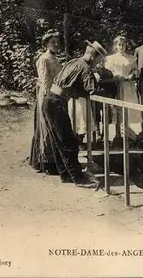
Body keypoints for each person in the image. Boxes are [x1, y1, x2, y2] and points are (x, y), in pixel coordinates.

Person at [42, 40, 108, 188]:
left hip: (49, 100)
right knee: (69, 142)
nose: (98, 63)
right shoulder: (86, 68)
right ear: (93, 56)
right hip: (56, 102)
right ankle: (79, 178)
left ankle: (66, 175)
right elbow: (92, 90)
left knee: (59, 141)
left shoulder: (74, 61)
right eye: (99, 59)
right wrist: (109, 93)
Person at [29, 29, 62, 174]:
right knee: (47, 128)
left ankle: (55, 161)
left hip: (56, 95)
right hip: (47, 96)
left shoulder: (56, 58)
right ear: (46, 44)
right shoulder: (44, 59)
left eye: (57, 42)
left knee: (55, 127)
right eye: (52, 42)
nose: (55, 45)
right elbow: (44, 81)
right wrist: (49, 97)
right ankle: (46, 162)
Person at [105, 35, 141, 143]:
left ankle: (125, 133)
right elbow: (107, 71)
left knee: (127, 109)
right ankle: (117, 135)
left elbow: (136, 70)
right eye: (119, 45)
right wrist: (115, 75)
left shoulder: (131, 58)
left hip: (127, 86)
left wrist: (132, 75)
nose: (121, 47)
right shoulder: (110, 59)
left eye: (123, 44)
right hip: (115, 86)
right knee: (116, 109)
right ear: (116, 46)